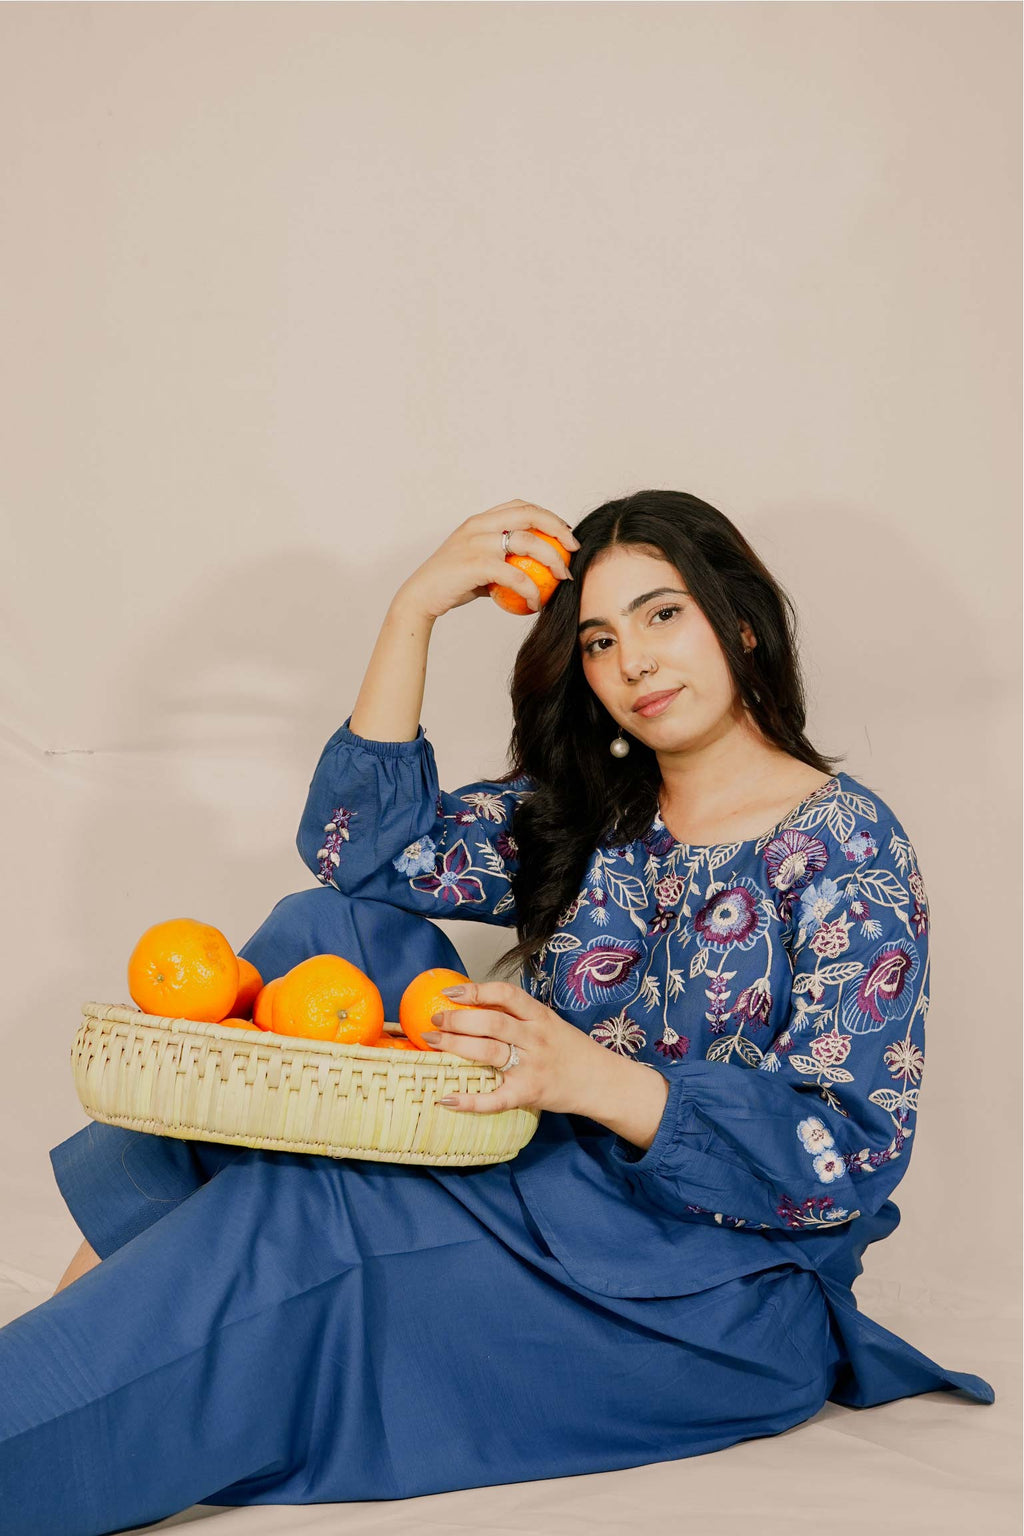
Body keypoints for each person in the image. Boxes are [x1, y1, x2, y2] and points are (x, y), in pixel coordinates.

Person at [0, 492, 994, 1534]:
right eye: (602, 640)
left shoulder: (845, 846)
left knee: (294, 1211)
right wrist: (413, 611)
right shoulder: (591, 813)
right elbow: (358, 852)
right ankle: (79, 1340)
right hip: (539, 1181)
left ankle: (62, 1384)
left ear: (740, 623)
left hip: (706, 1296)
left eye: (664, 617)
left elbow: (845, 1154)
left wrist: (597, 1082)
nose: (636, 663)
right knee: (322, 930)